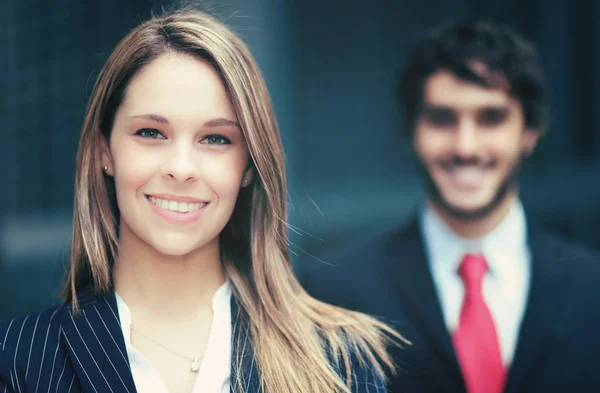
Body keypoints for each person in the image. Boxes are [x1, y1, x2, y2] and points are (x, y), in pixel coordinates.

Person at [0, 8, 401, 393]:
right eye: (151, 133)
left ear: (249, 166)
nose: (181, 168)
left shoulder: (339, 358)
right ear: (105, 151)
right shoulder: (17, 358)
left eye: (215, 139)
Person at [299, 21, 600, 393]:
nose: (466, 147)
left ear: (530, 133)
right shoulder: (330, 293)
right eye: (442, 119)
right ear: (411, 132)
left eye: (491, 118)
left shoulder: (592, 289)